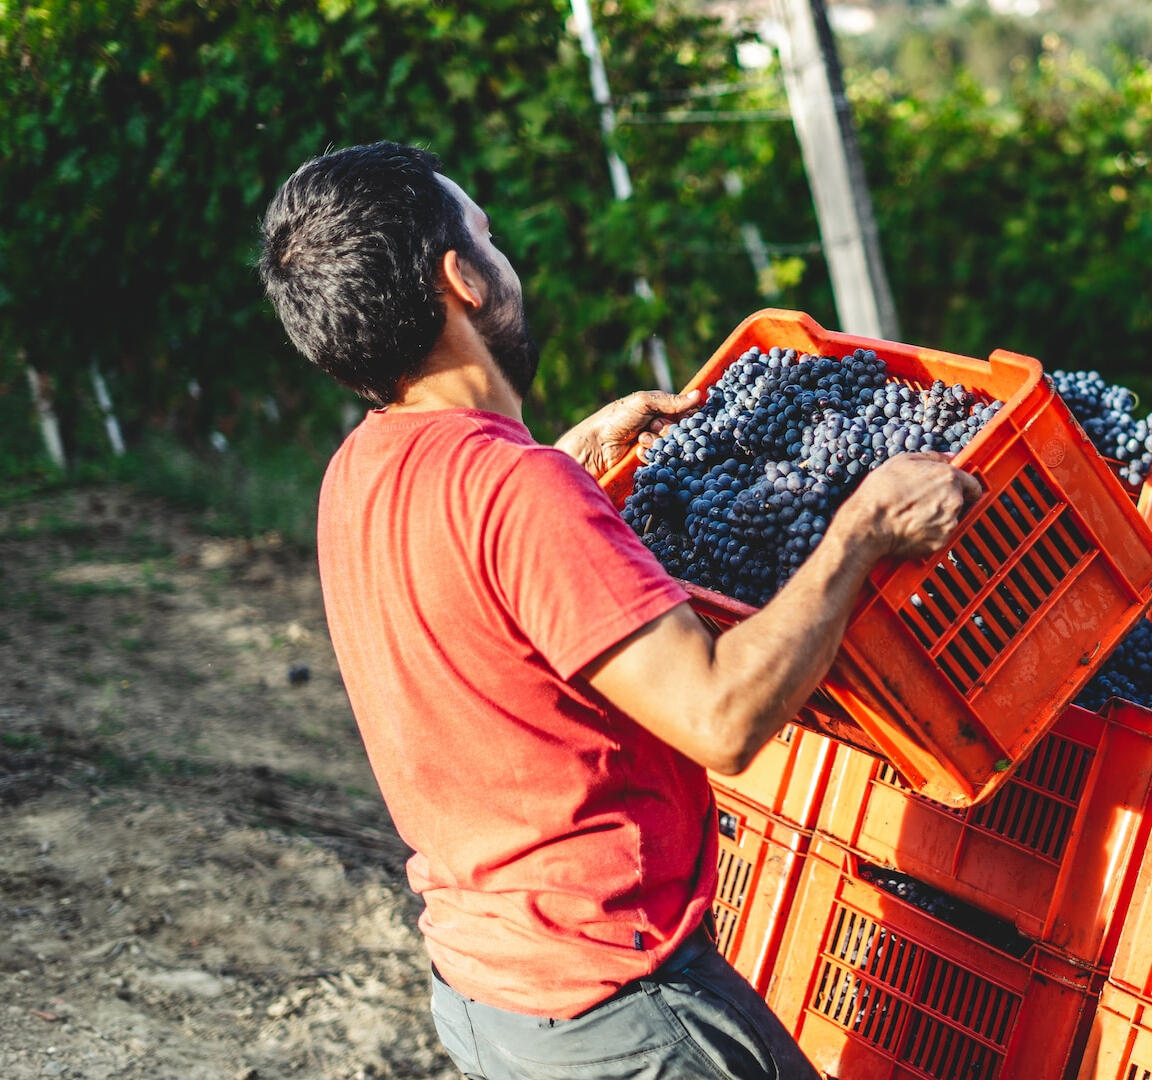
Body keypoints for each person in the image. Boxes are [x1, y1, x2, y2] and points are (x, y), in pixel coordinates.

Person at [258, 140, 981, 1080]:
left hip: (488, 993)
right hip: (620, 1016)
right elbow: (720, 719)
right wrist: (861, 533)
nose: (503, 255)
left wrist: (568, 457)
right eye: (488, 235)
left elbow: (478, 577)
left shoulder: (361, 471)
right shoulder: (518, 496)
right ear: (460, 281)